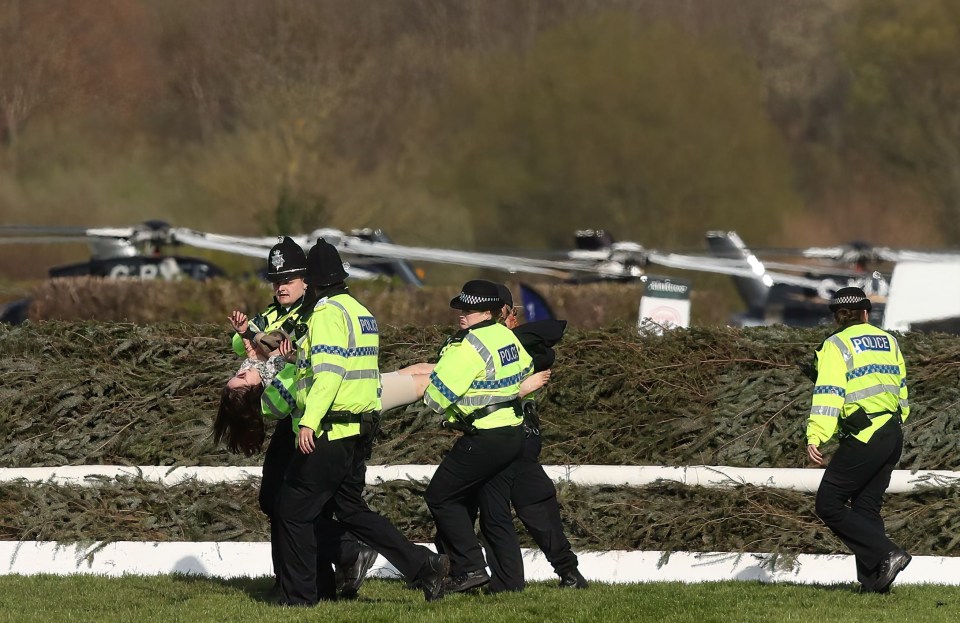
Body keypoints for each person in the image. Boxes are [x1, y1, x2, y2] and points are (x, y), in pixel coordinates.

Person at [272, 238, 449, 606]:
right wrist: (296, 360)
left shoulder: (325, 314)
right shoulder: (360, 312)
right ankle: (425, 565)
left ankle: (300, 598)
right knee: (350, 510)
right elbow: (348, 367)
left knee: (291, 510)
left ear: (314, 281)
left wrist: (309, 421)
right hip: (360, 427)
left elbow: (332, 373)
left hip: (331, 429)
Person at [423, 279, 533, 594]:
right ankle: (510, 584)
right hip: (512, 431)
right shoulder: (504, 335)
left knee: (441, 496)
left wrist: (442, 371)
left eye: (470, 309)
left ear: (487, 311)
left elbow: (435, 398)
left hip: (485, 436)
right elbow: (525, 368)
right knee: (496, 510)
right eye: (461, 307)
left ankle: (470, 568)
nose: (463, 314)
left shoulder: (469, 345)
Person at [806, 286, 911, 593]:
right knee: (866, 508)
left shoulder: (835, 345)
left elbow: (829, 394)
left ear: (837, 317)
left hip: (865, 434)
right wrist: (896, 422)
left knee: (828, 504)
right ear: (866, 313)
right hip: (892, 432)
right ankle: (875, 585)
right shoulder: (889, 341)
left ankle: (887, 553)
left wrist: (817, 435)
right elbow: (901, 387)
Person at [493, 283, 588, 589]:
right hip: (501, 435)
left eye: (496, 314)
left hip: (517, 434)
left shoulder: (516, 344)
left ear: (510, 317)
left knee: (533, 504)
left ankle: (566, 572)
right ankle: (567, 573)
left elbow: (553, 332)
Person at [229, 235, 309, 358]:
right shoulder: (270, 314)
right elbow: (237, 347)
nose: (281, 288)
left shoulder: (312, 312)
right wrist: (245, 332)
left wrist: (254, 336)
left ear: (305, 281)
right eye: (277, 283)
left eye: (288, 282)